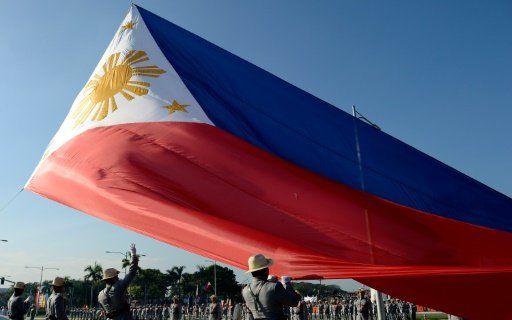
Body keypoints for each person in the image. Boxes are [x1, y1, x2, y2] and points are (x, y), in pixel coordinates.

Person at [241, 254, 300, 320]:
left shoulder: (245, 290)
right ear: (266, 270)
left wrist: (269, 282)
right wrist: (287, 283)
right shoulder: (274, 286)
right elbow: (293, 302)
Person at [98, 244, 139, 320]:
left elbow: (104, 312)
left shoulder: (100, 295)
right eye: (117, 276)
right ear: (114, 278)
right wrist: (133, 255)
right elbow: (131, 272)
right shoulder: (119, 286)